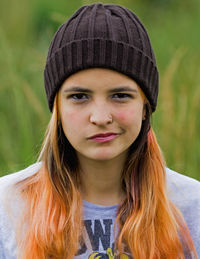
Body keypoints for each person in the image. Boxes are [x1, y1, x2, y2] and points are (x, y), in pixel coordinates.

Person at [0, 2, 199, 259]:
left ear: (145, 106)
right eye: (80, 96)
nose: (100, 117)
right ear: (57, 107)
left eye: (120, 95)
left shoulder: (192, 207)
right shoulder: (8, 206)